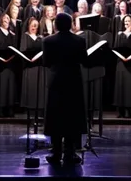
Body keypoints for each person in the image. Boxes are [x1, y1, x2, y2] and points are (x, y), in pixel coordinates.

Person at [43, 12, 87, 166]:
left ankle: (56, 153)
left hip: (56, 82)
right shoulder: (80, 41)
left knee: (56, 115)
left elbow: (46, 62)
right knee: (71, 116)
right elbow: (84, 61)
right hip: (73, 82)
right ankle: (70, 153)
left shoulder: (48, 41)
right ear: (70, 24)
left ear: (56, 25)